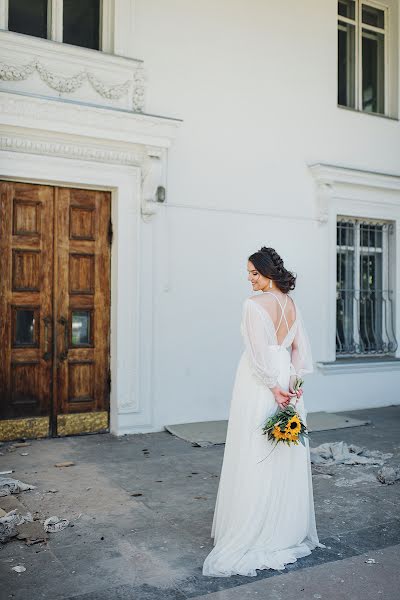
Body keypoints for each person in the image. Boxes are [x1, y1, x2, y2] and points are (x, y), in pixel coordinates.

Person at [202, 246, 325, 578]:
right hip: (287, 375)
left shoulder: (253, 305)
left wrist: (274, 388)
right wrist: (293, 385)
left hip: (261, 382)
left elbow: (256, 353)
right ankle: (283, 526)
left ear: (269, 272)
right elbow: (300, 350)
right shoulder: (291, 305)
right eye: (248, 274)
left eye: (254, 274)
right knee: (281, 450)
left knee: (255, 446)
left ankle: (253, 526)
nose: (250, 280)